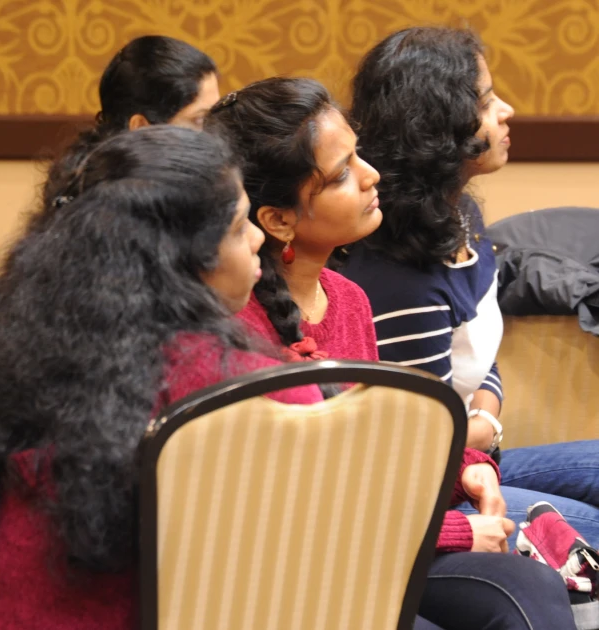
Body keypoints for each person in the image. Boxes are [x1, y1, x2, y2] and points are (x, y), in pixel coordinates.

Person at [206, 76, 577, 629]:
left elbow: (385, 453)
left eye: (359, 154)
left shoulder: (350, 300)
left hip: (379, 540)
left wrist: (470, 471)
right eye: (341, 174)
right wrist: (458, 530)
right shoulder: (239, 328)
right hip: (300, 564)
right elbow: (305, 507)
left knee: (537, 579)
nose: (371, 175)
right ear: (277, 220)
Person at [0, 125, 326, 628]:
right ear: (179, 263)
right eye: (238, 228)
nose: (259, 238)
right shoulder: (253, 390)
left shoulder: (25, 362)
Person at [343, 25, 599, 550]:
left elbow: (477, 355)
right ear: (439, 128)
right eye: (485, 101)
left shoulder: (461, 215)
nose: (506, 111)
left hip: (472, 457)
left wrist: (484, 419)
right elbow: (414, 443)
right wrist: (476, 433)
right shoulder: (396, 274)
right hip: (427, 497)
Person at [43, 35, 220, 207]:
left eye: (216, 114)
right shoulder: (109, 210)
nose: (216, 133)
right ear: (141, 128)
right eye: (199, 120)